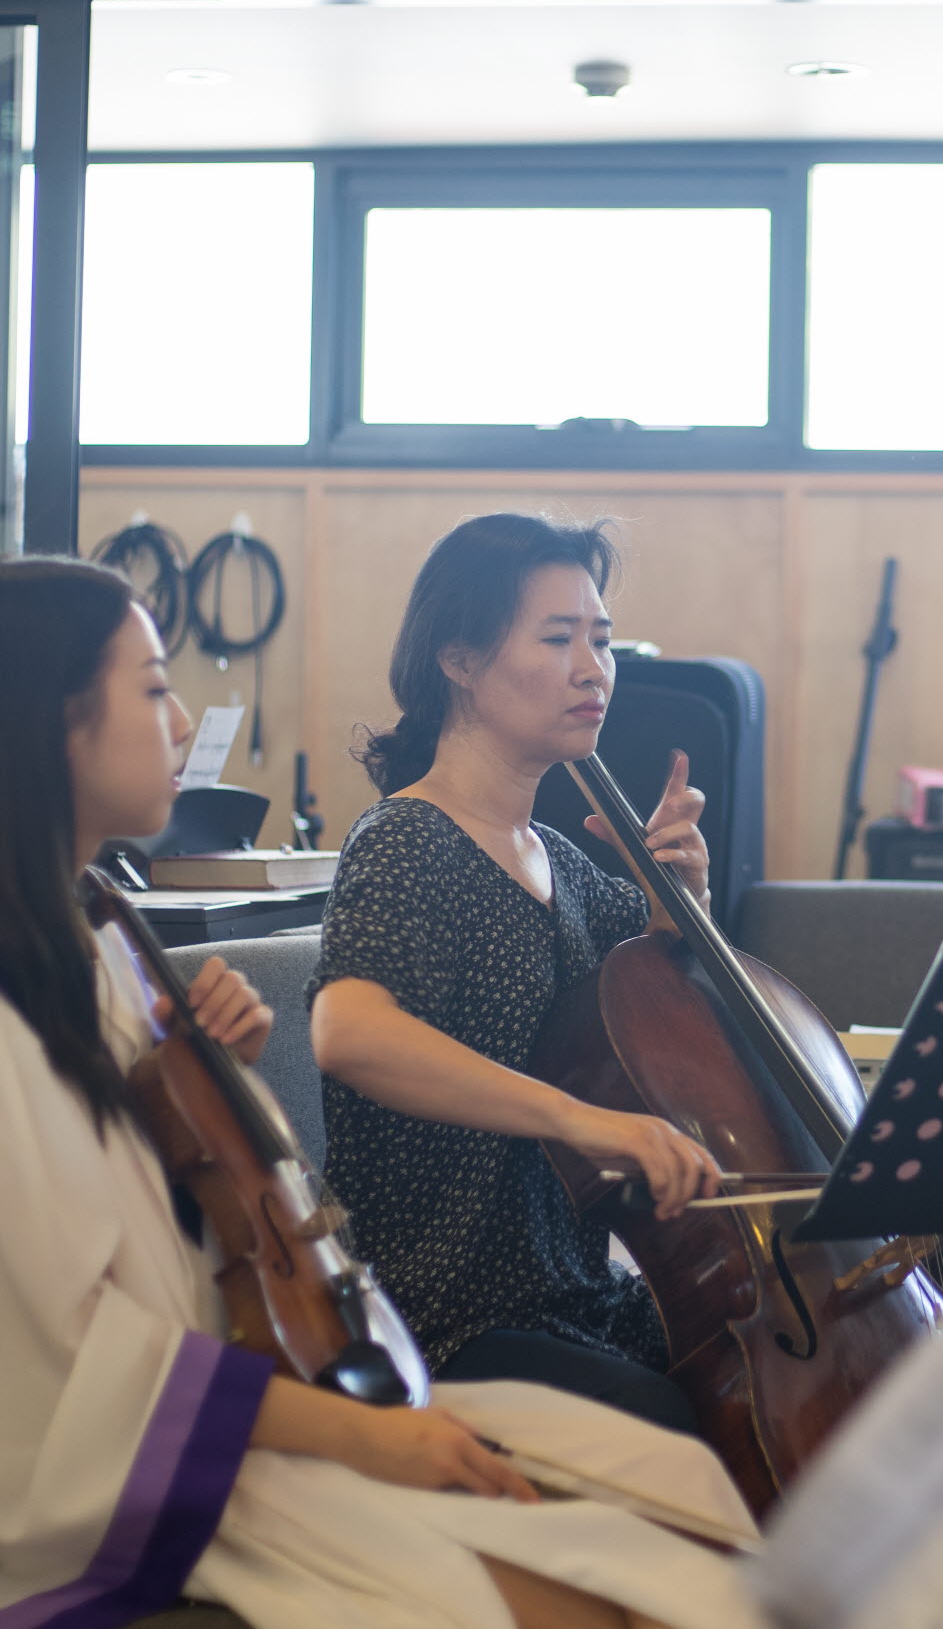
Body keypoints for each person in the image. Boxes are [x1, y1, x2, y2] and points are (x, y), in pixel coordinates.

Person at [0, 554, 763, 1629]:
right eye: (154, 688)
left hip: (260, 1388)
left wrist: (202, 1077)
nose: (185, 724)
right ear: (47, 722)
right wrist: (365, 1433)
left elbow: (157, 1209)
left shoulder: (87, 941)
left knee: (683, 1488)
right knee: (619, 1590)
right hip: (136, 1482)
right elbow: (54, 1350)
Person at [308, 514, 721, 1434]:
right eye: (557, 638)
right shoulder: (407, 840)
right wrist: (576, 1118)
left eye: (601, 640)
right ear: (458, 659)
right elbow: (348, 1032)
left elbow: (654, 1003)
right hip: (438, 1319)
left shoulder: (559, 864)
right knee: (662, 1418)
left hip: (571, 1297)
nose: (592, 669)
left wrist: (683, 899)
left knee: (740, 1369)